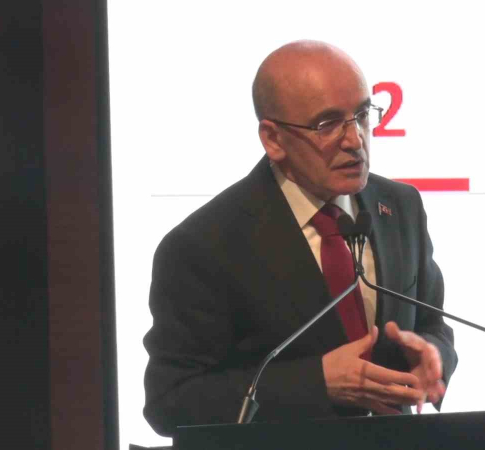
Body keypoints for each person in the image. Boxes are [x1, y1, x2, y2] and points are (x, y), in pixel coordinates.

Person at [143, 40, 457, 436]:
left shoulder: (400, 207)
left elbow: (433, 325)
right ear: (273, 139)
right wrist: (316, 383)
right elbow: (171, 400)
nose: (355, 140)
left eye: (362, 115)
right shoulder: (203, 246)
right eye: (327, 124)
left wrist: (433, 356)